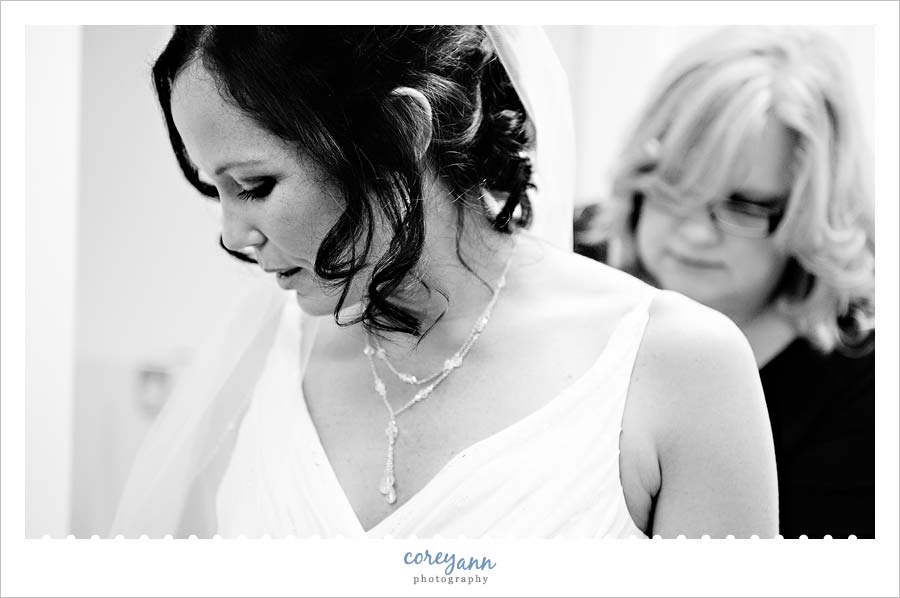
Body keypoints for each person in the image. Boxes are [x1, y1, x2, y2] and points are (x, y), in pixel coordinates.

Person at [112, 25, 777, 539]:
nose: (232, 235)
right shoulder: (268, 346)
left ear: (402, 132)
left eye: (254, 186)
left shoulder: (676, 366)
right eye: (215, 191)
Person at [576, 27, 875, 538]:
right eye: (676, 185)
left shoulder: (865, 390)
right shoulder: (571, 262)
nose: (694, 232)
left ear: (807, 214)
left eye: (742, 206)